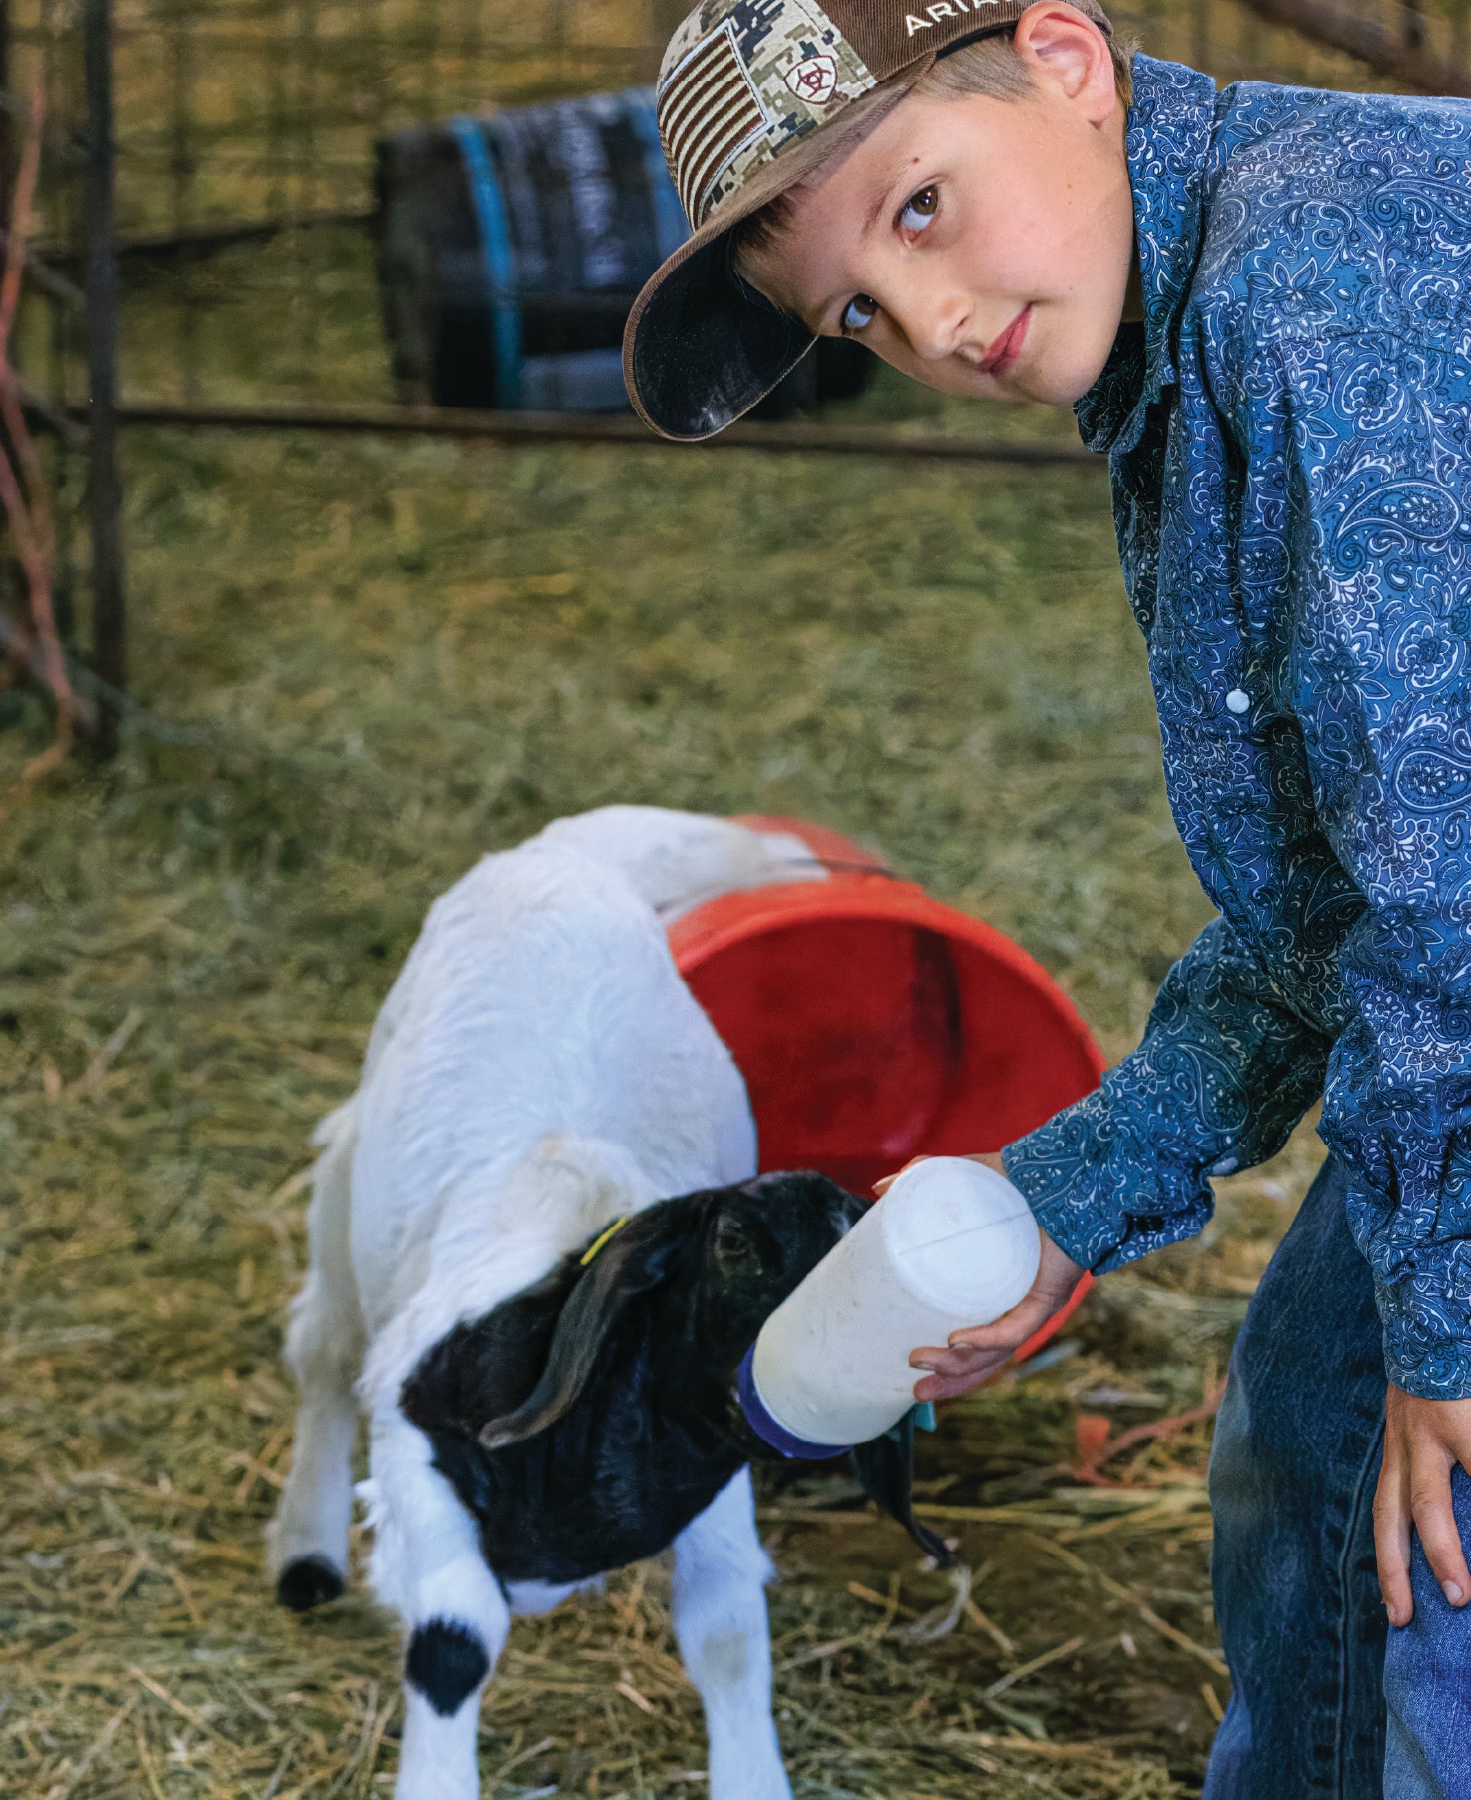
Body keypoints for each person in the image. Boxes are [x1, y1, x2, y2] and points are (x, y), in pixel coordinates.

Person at [622, 2, 1471, 1793]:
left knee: (1443, 1543)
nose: (926, 325)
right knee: (1320, 1417)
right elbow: (1338, 892)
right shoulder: (1185, 328)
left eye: (920, 207)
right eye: (855, 309)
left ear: (1066, 60)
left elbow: (1448, 882)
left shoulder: (1311, 279)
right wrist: (1077, 1189)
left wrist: (1456, 1318)